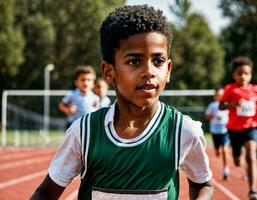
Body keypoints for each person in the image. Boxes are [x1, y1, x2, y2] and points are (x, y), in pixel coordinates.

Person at [30, 5, 213, 200]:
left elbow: (203, 184)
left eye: (158, 61)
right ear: (108, 71)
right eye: (134, 61)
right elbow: (45, 193)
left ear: (168, 70)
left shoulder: (182, 130)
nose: (149, 71)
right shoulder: (84, 132)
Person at [219, 56, 257, 200]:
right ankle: (240, 157)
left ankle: (253, 190)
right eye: (239, 73)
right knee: (237, 161)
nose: (243, 76)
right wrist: (233, 105)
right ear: (234, 75)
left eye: (246, 73)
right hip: (234, 130)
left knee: (252, 155)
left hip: (251, 128)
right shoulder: (230, 89)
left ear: (250, 75)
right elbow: (220, 106)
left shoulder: (255, 90)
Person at [205, 86, 230, 180]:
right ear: (214, 96)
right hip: (215, 131)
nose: (219, 96)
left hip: (225, 131)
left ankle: (226, 170)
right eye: (217, 95)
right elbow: (206, 116)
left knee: (225, 150)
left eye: (221, 95)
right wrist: (212, 116)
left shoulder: (227, 104)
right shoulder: (212, 105)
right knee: (218, 151)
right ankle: (217, 149)